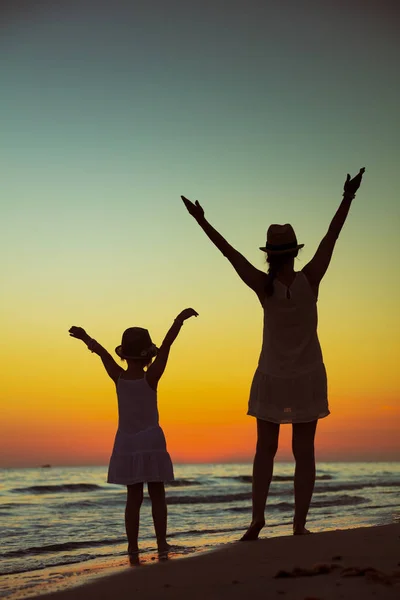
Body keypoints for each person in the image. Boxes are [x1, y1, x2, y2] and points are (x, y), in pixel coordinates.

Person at [181, 168, 364, 539]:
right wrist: (347, 197)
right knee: (298, 452)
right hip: (297, 375)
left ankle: (267, 521)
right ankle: (288, 523)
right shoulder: (306, 278)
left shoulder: (271, 283)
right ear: (294, 252)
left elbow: (229, 252)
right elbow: (331, 236)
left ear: (270, 255)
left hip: (287, 376)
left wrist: (203, 220)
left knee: (270, 451)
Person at [68, 307, 198, 556]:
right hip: (151, 439)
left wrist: (86, 337)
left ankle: (133, 547)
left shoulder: (118, 376)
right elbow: (168, 345)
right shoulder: (151, 378)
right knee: (157, 495)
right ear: (148, 355)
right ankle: (161, 543)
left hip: (127, 441)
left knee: (133, 498)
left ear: (125, 355)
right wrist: (178, 320)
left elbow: (103, 354)